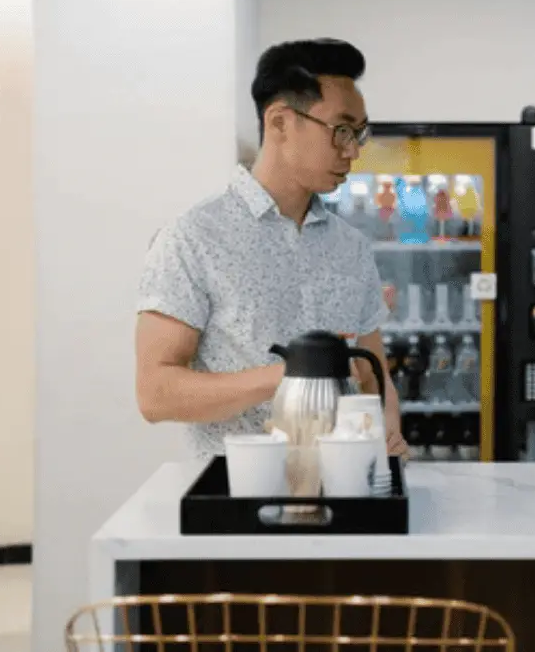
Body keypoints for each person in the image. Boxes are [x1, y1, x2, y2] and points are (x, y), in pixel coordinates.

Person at [134, 38, 408, 457]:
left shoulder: (350, 247)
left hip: (348, 491)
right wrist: (287, 376)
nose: (352, 150)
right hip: (242, 497)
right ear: (280, 122)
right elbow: (156, 394)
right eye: (341, 130)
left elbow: (372, 376)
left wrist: (387, 433)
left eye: (359, 134)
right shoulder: (194, 238)